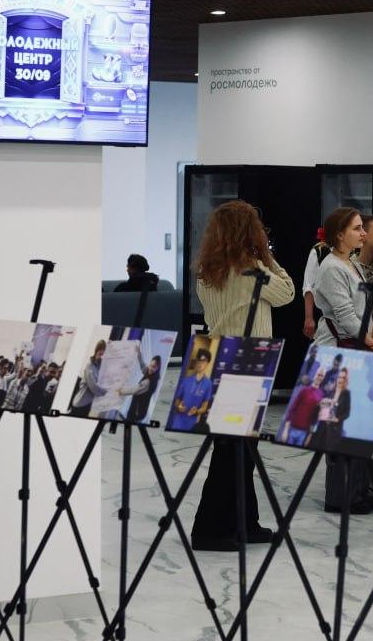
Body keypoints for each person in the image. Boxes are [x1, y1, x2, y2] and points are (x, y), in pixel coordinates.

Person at [190, 199, 296, 551]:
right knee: (235, 451)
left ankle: (244, 521)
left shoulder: (207, 271)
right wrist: (267, 256)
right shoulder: (252, 270)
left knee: (237, 449)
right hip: (247, 363)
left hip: (216, 358)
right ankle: (210, 529)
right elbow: (287, 292)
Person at [313, 207, 373, 515]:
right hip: (337, 352)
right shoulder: (331, 267)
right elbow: (344, 314)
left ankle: (357, 490)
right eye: (357, 228)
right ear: (340, 235)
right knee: (339, 425)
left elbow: (363, 308)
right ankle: (340, 495)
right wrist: (368, 338)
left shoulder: (351, 263)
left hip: (356, 346)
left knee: (356, 424)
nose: (363, 233)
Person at [169, 347, 214, 432]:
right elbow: (177, 400)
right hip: (178, 422)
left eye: (203, 361)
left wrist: (197, 411)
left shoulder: (208, 384)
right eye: (198, 360)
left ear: (207, 363)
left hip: (192, 425)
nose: (200, 363)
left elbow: (204, 407)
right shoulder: (186, 380)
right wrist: (179, 406)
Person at [69, 340, 108, 417]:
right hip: (80, 403)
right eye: (100, 349)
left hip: (88, 403)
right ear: (96, 350)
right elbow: (93, 386)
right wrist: (106, 392)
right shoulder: (89, 366)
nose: (102, 352)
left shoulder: (99, 366)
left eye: (104, 350)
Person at [123, 354, 164, 423]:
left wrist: (120, 391)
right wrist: (139, 355)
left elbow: (133, 390)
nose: (150, 368)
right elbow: (143, 367)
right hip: (139, 410)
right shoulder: (151, 373)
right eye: (150, 365)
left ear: (158, 368)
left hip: (136, 412)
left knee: (129, 422)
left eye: (153, 367)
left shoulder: (148, 381)